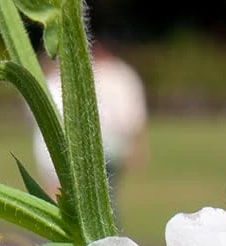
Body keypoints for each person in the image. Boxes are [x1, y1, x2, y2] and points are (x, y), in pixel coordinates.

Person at [32, 42, 148, 203]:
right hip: (96, 146)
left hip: (98, 145)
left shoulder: (117, 74)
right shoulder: (115, 73)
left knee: (96, 199)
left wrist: (137, 146)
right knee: (100, 199)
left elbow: (132, 115)